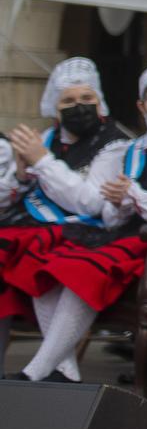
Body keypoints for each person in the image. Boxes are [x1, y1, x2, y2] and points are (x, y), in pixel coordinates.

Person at [5, 55, 147, 382]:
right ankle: (61, 370)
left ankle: (40, 371)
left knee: (80, 265)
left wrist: (134, 196)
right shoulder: (136, 148)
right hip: (132, 235)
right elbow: (111, 215)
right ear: (143, 105)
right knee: (53, 263)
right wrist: (120, 202)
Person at [0, 59, 122, 372]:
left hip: (90, 235)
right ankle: (60, 371)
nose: (78, 107)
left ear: (100, 104)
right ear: (55, 108)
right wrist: (22, 175)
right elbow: (11, 195)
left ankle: (55, 371)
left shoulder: (115, 144)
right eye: (68, 100)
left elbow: (90, 202)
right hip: (39, 233)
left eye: (86, 99)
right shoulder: (45, 139)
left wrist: (43, 162)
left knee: (42, 260)